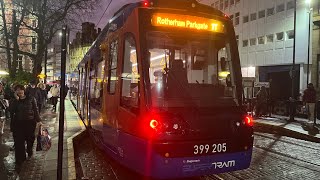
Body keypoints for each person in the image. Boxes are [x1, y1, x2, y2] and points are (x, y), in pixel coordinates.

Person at [9, 84, 41, 169]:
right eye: (17, 90)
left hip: (30, 123)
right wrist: (16, 100)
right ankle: (21, 159)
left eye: (21, 89)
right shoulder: (13, 100)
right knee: (19, 142)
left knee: (30, 138)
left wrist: (39, 120)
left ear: (24, 90)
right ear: (15, 92)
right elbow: (11, 111)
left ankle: (29, 149)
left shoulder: (31, 98)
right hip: (18, 124)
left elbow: (35, 109)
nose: (19, 91)